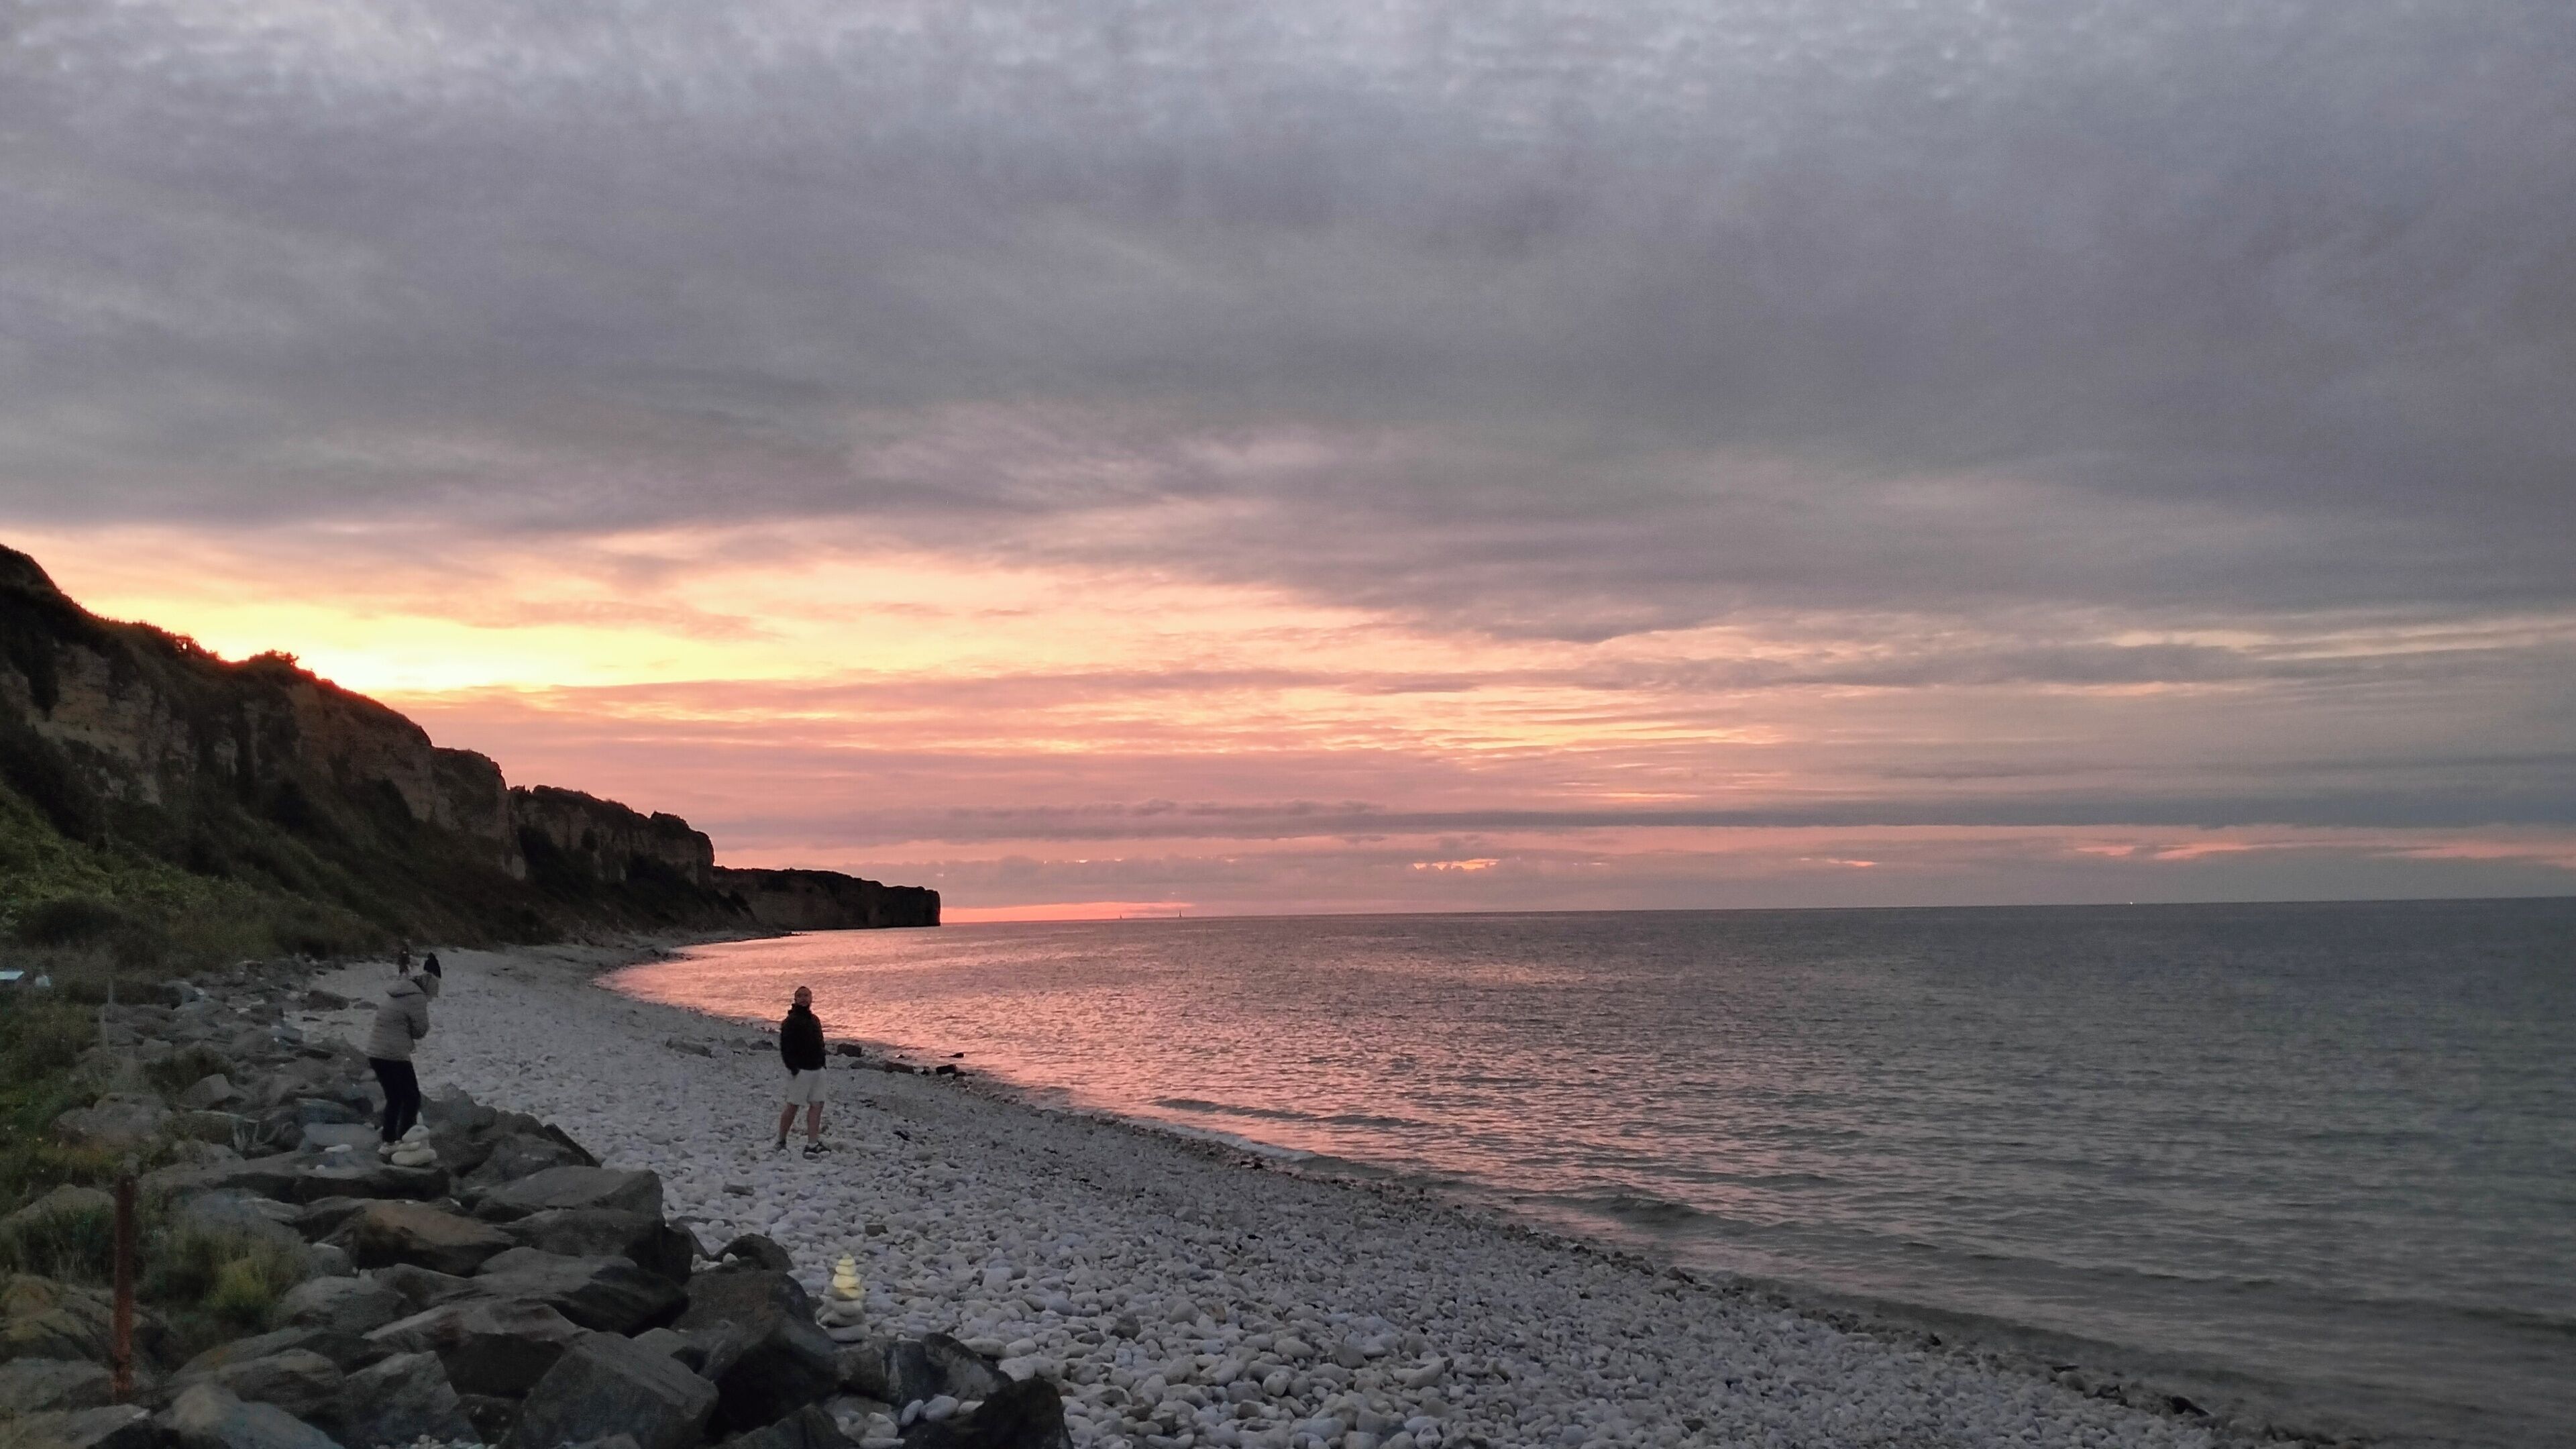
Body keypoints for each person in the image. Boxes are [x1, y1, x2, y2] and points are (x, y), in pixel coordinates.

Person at [366, 955, 433, 1154]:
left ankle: (388, 1141)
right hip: (394, 1054)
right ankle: (405, 1139)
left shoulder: (398, 991)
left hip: (376, 1053)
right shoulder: (418, 998)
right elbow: (420, 1030)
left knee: (394, 1098)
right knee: (411, 1098)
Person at [776, 985, 830, 1157]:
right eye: (800, 996)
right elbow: (785, 1048)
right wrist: (793, 1068)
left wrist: (823, 1064)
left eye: (806, 995)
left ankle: (812, 1143)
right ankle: (781, 1141)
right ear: (795, 999)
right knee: (793, 1105)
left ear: (811, 998)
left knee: (817, 1105)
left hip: (817, 1069)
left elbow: (820, 1043)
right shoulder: (790, 1022)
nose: (803, 998)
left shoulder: (815, 1020)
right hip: (801, 1071)